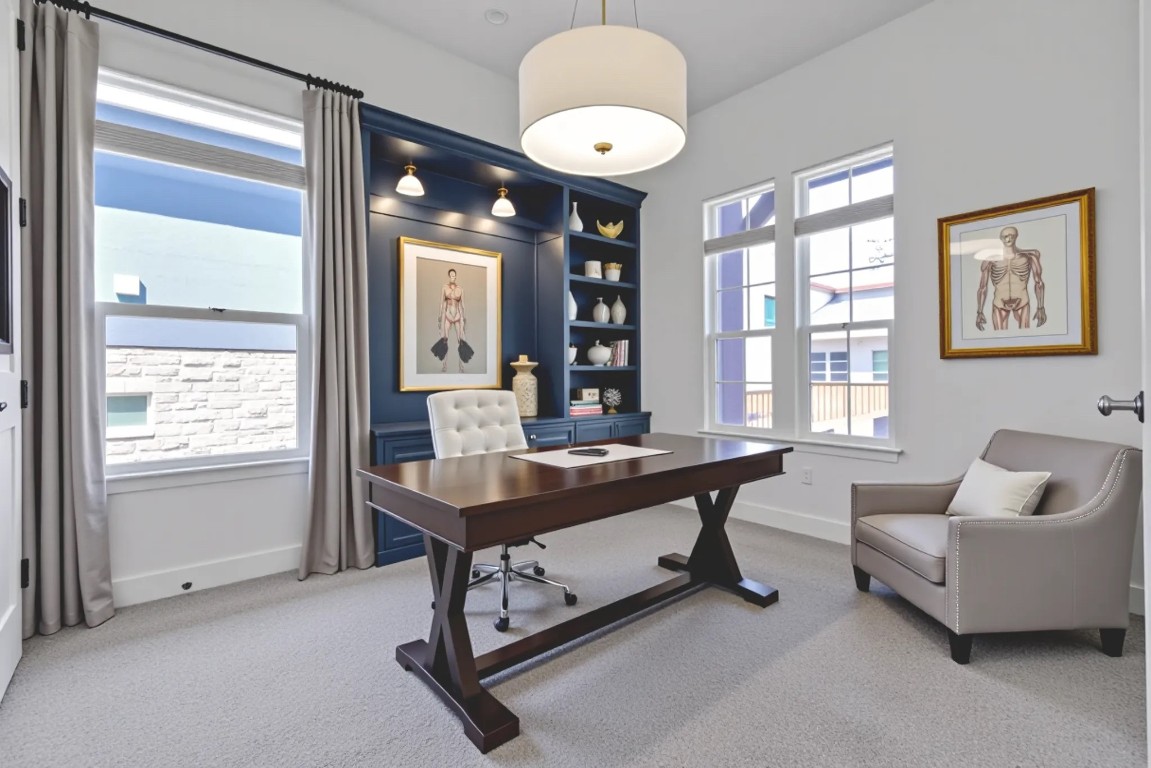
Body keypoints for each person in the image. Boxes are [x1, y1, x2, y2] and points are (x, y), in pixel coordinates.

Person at [975, 226, 1046, 331]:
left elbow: (1039, 283)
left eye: (1011, 236)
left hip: (1022, 302)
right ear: (1001, 238)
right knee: (999, 340)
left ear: (1016, 236)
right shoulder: (990, 260)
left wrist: (1040, 307)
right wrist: (979, 311)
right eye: (1005, 236)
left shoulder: (1029, 257)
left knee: (1025, 338)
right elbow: (982, 287)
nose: (1008, 239)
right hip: (999, 303)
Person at [437, 268, 467, 372]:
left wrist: (464, 316)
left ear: (456, 276)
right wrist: (440, 315)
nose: (453, 277)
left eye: (454, 275)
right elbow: (441, 302)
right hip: (448, 315)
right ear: (449, 276)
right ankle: (444, 365)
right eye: (451, 275)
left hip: (458, 316)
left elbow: (462, 304)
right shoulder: (445, 288)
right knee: (445, 340)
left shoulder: (460, 289)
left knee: (461, 340)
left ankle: (461, 365)